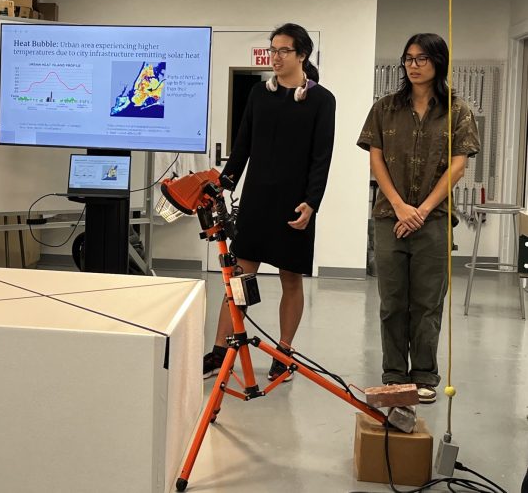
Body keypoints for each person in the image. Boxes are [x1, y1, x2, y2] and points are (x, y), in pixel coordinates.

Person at [203, 23, 336, 381]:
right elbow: (242, 146)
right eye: (272, 50)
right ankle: (220, 350)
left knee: (291, 279)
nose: (275, 57)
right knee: (240, 277)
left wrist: (312, 203)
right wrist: (224, 185)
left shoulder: (322, 100)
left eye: (283, 51)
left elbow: (322, 157)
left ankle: (284, 352)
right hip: (257, 200)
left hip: (296, 205)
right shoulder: (260, 95)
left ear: (302, 55)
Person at [357, 33, 479, 403]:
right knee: (392, 301)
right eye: (408, 58)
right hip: (388, 217)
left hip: (435, 219)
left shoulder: (458, 111)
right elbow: (375, 159)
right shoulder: (385, 108)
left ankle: (425, 375)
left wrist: (422, 210)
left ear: (438, 62)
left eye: (422, 58)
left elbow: (458, 166)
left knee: (427, 303)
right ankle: (395, 375)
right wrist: (399, 206)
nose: (413, 64)